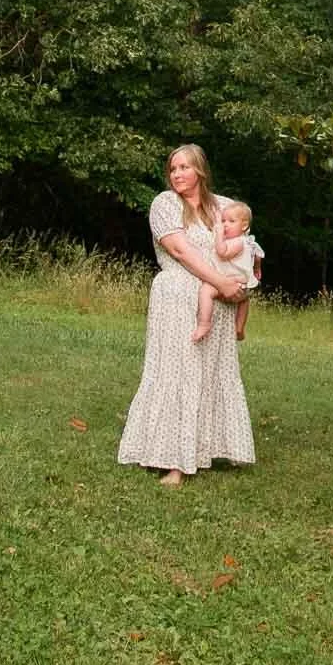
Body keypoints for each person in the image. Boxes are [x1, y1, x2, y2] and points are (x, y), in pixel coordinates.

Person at [117, 144, 255, 486]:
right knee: (178, 372)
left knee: (211, 372)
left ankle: (208, 448)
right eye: (173, 168)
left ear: (200, 171)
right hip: (178, 296)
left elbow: (244, 245)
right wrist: (221, 282)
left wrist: (241, 283)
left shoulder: (224, 206)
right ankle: (172, 461)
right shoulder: (165, 204)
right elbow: (181, 251)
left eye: (184, 168)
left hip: (217, 302)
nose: (177, 174)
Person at [192, 200, 263, 344]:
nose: (225, 225)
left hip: (230, 282)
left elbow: (222, 252)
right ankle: (240, 327)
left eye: (231, 221)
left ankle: (204, 323)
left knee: (206, 291)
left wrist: (218, 235)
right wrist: (257, 269)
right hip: (242, 286)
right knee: (244, 300)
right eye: (223, 221)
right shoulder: (250, 242)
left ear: (244, 226)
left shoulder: (238, 242)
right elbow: (258, 255)